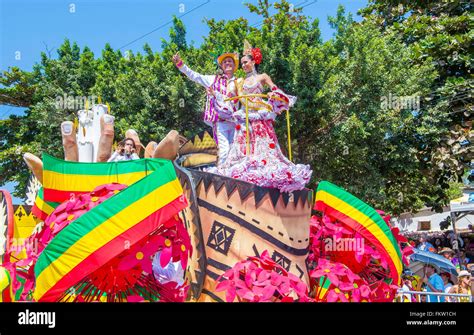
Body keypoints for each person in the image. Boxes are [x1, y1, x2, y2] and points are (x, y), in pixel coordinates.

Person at [212, 40, 312, 192]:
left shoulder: (263, 77)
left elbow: (275, 89)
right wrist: (217, 93)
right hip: (245, 119)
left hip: (259, 117)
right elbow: (230, 97)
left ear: (253, 62)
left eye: (246, 62)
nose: (244, 65)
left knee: (263, 147)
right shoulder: (240, 82)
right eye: (243, 63)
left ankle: (266, 178)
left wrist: (273, 93)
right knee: (242, 149)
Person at [172, 51, 240, 165]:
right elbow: (195, 76)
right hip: (220, 122)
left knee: (236, 151)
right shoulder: (213, 79)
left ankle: (237, 178)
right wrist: (180, 65)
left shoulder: (239, 82)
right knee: (224, 152)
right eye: (225, 62)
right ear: (222, 66)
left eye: (230, 61)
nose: (227, 63)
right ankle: (223, 177)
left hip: (236, 122)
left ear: (234, 65)